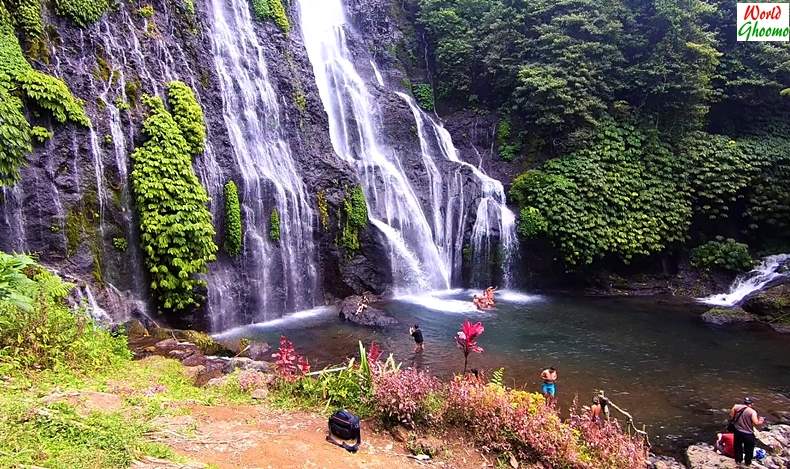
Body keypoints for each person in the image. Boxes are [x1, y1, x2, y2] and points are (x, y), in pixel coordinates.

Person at [729, 397, 765, 466]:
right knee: (749, 449)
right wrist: (761, 420)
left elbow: (731, 416)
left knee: (737, 447)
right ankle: (747, 463)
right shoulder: (752, 412)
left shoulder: (736, 407)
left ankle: (738, 461)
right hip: (748, 433)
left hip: (737, 431)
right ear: (751, 404)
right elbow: (756, 423)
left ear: (744, 402)